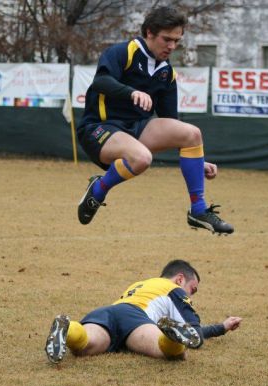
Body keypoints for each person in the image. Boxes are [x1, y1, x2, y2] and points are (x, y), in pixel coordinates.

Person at [76, 6, 234, 235]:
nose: (172, 46)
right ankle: (98, 190)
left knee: (191, 134)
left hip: (136, 130)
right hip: (98, 128)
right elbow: (101, 81)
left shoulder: (166, 73)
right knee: (142, 158)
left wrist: (198, 160)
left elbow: (171, 124)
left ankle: (198, 211)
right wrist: (130, 92)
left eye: (177, 41)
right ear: (149, 32)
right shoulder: (124, 52)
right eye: (167, 39)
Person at [45, 259, 242, 363]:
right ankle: (171, 337)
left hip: (108, 312)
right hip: (136, 319)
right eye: (193, 289)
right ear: (180, 279)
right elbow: (196, 335)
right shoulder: (174, 290)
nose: (192, 295)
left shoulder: (141, 284)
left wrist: (223, 327)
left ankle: (68, 328)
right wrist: (219, 328)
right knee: (173, 353)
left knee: (85, 346)